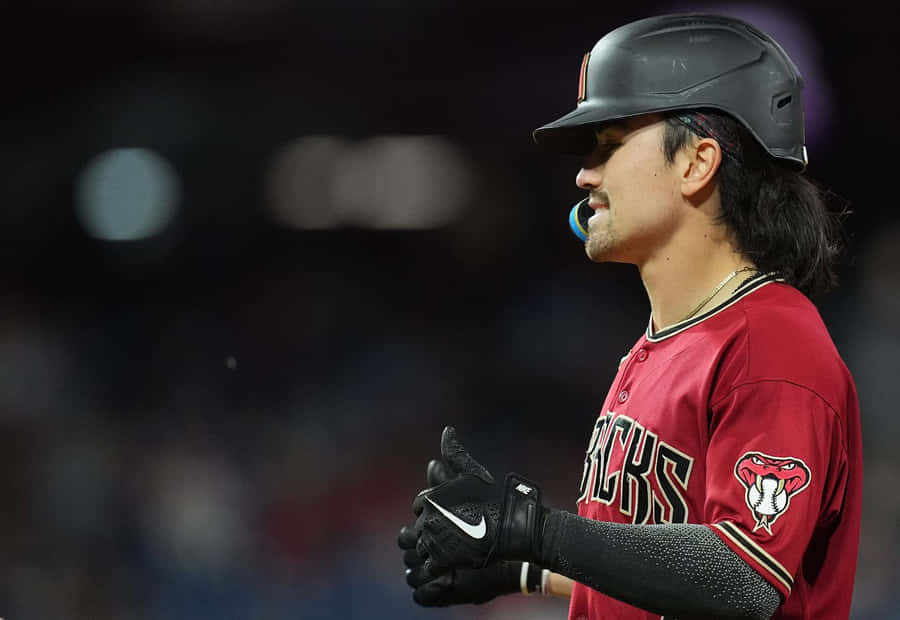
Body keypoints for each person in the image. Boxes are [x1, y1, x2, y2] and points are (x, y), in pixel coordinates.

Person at [397, 12, 861, 620]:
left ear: (698, 163)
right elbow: (663, 569)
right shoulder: (670, 342)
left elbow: (740, 579)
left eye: (611, 145)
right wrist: (526, 570)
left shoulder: (770, 342)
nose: (585, 174)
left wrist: (538, 533)